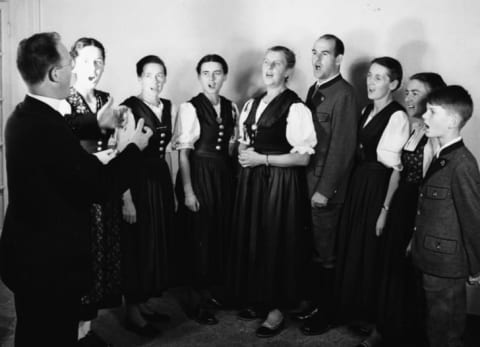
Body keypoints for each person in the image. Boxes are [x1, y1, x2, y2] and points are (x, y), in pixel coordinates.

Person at [0, 32, 151, 347]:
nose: (76, 70)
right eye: (70, 63)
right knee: (50, 335)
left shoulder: (23, 115)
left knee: (34, 331)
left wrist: (98, 122)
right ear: (56, 74)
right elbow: (100, 185)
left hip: (27, 255)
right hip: (51, 265)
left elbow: (65, 128)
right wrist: (134, 148)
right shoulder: (48, 129)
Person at [228, 46, 316, 338]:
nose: (269, 68)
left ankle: (277, 310)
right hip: (253, 181)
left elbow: (303, 158)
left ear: (288, 72)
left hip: (280, 182)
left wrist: (261, 159)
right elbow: (243, 140)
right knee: (255, 236)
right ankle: (260, 299)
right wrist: (244, 151)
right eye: (266, 62)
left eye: (276, 64)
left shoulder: (295, 107)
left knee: (277, 240)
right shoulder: (252, 104)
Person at [334, 57, 410, 346]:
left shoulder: (397, 116)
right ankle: (359, 313)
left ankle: (378, 324)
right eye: (369, 76)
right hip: (359, 184)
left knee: (374, 250)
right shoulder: (366, 109)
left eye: (379, 78)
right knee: (356, 245)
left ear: (393, 84)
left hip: (379, 187)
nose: (370, 82)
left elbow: (395, 170)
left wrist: (384, 210)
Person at [59, 37, 124, 346]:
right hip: (75, 196)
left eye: (99, 61)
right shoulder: (61, 101)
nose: (93, 67)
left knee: (99, 262)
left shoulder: (107, 99)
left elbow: (114, 140)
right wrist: (90, 160)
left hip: (103, 191)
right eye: (86, 60)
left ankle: (85, 331)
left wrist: (112, 153)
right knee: (78, 263)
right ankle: (71, 334)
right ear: (74, 63)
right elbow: (56, 156)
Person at [294, 34, 358, 336]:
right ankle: (314, 304)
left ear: (339, 59)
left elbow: (343, 149)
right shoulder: (314, 89)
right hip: (307, 183)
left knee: (326, 253)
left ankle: (327, 314)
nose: (317, 60)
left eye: (325, 54)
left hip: (325, 190)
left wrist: (324, 189)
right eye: (314, 53)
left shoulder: (344, 94)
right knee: (311, 250)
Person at [376, 73, 446, 346]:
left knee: (411, 277)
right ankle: (387, 331)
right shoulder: (413, 129)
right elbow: (398, 172)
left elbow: (429, 187)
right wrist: (384, 211)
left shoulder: (435, 139)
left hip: (418, 210)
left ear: (433, 98)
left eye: (416, 93)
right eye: (408, 92)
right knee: (392, 272)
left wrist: (417, 232)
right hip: (400, 206)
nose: (408, 97)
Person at [411, 85, 480, 347]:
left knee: (446, 332)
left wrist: (476, 267)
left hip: (447, 265)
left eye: (431, 112)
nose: (424, 117)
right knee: (434, 326)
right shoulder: (442, 157)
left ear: (452, 120)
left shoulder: (462, 163)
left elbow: (473, 219)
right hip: (431, 258)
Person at [174, 54, 238, 325]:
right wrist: (188, 192)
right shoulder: (190, 108)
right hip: (198, 174)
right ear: (199, 77)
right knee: (198, 236)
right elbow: (184, 155)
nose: (212, 79)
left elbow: (231, 147)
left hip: (222, 176)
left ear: (225, 76)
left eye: (217, 73)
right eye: (206, 73)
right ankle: (195, 300)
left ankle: (210, 292)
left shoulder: (231, 107)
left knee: (217, 234)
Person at [119, 55, 176, 337]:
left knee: (154, 242)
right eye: (149, 75)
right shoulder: (128, 110)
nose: (155, 81)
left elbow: (166, 150)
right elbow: (120, 156)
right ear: (139, 78)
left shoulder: (167, 107)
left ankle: (141, 305)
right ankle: (132, 313)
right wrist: (126, 199)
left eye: (160, 75)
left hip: (160, 181)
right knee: (138, 244)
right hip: (137, 183)